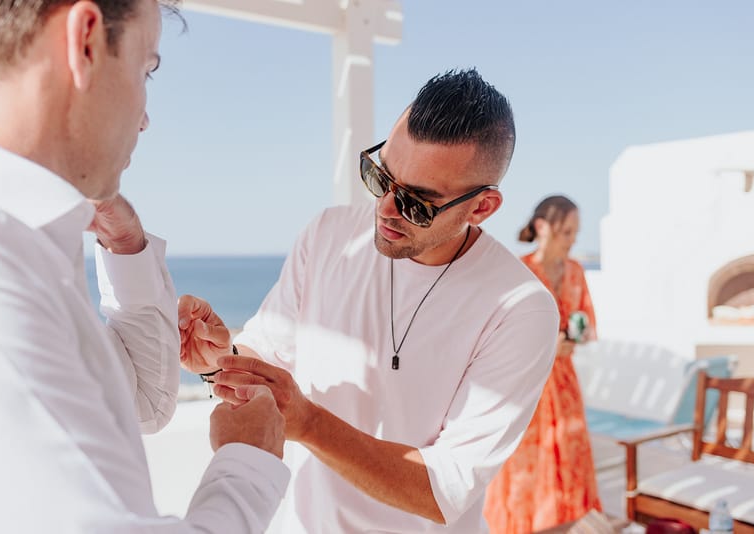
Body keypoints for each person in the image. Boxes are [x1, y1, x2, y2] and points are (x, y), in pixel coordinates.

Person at [178, 68, 559, 533]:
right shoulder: (329, 234)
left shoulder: (520, 309)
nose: (385, 209)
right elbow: (269, 356)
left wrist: (310, 424)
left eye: (417, 203)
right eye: (380, 177)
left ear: (481, 207)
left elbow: (445, 491)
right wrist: (219, 359)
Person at [0, 1, 288, 532]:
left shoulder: (22, 243)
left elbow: (143, 402)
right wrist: (249, 464)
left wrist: (128, 250)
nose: (144, 119)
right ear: (86, 41)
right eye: (146, 70)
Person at [484, 194, 601, 533]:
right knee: (528, 463)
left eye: (576, 232)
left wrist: (574, 336)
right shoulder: (517, 270)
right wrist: (548, 345)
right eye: (567, 232)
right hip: (528, 383)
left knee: (570, 457)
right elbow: (498, 332)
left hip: (565, 383)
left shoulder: (576, 271)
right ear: (542, 227)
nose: (573, 240)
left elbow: (587, 325)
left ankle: (565, 524)